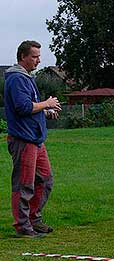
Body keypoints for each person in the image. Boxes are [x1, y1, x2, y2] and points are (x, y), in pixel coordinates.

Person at [4, 40, 62, 238]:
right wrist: (46, 103)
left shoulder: (27, 78)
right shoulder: (17, 79)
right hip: (23, 139)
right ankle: (22, 226)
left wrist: (46, 112)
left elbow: (30, 108)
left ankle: (33, 219)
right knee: (24, 184)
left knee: (45, 180)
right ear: (23, 57)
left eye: (38, 56)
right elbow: (23, 108)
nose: (39, 60)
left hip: (36, 139)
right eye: (34, 56)